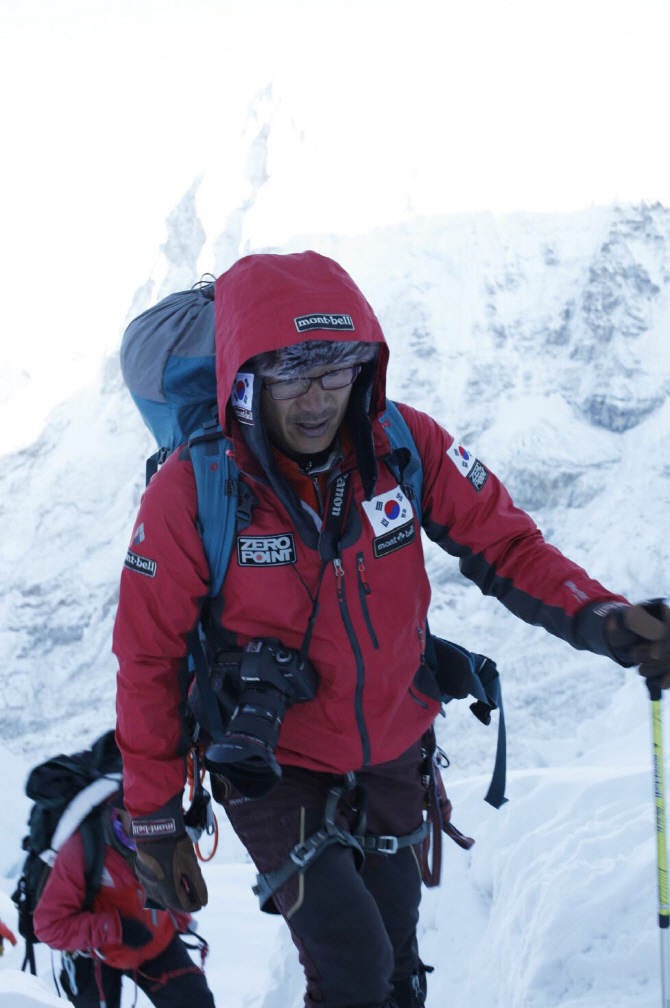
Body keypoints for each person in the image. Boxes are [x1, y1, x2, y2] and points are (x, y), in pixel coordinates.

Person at [114, 250, 670, 1008]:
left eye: (337, 369)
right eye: (291, 372)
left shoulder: (403, 446)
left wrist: (606, 620)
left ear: (366, 366)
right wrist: (151, 822)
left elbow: (507, 545)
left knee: (400, 969)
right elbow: (148, 656)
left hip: (395, 751)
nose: (317, 398)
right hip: (270, 768)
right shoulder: (193, 491)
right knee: (353, 970)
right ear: (244, 377)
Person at [33, 790, 215, 1008]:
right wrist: (115, 929)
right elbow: (48, 927)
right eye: (139, 814)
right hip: (95, 955)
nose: (149, 825)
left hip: (157, 941)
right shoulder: (82, 848)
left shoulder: (162, 834)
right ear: (117, 810)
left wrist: (178, 917)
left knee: (197, 1002)